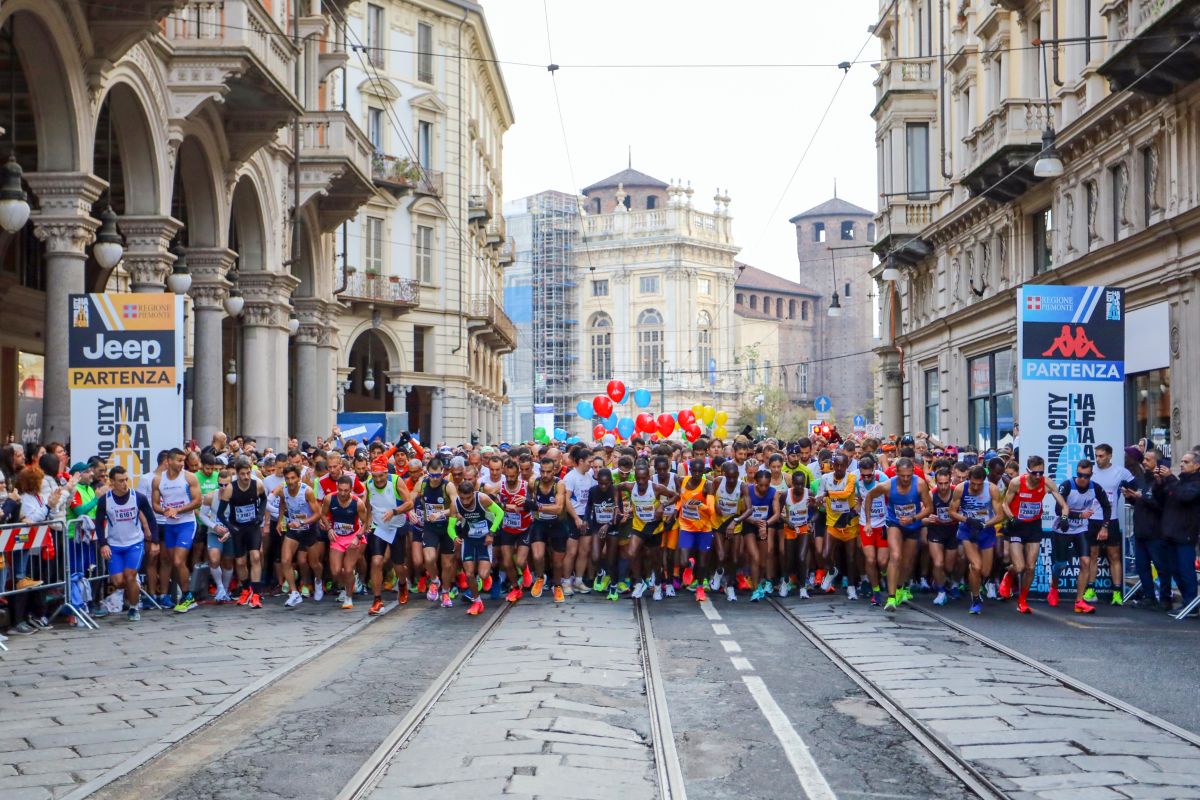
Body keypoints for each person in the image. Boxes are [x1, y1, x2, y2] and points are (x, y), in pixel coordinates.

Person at [1000, 455, 1069, 614]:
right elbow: (1005, 504)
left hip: (1033, 526)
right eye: (1034, 473)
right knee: (1019, 566)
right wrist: (1011, 518)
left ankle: (1022, 600)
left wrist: (1064, 518)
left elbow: (1064, 506)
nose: (1038, 476)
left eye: (1041, 472)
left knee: (1030, 567)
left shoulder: (1047, 483)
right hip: (1017, 526)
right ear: (1027, 471)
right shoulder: (1017, 482)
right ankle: (1008, 576)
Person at [865, 457, 933, 610]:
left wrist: (913, 518)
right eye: (902, 475)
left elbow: (929, 508)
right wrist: (868, 521)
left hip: (912, 524)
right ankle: (891, 598)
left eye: (909, 475)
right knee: (895, 556)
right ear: (896, 473)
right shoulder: (888, 485)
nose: (906, 479)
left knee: (907, 563)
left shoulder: (920, 484)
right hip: (894, 523)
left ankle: (900, 587)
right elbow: (869, 496)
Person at [94, 466, 156, 622]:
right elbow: (99, 524)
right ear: (112, 482)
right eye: (120, 481)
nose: (124, 484)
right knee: (119, 582)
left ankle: (134, 608)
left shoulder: (138, 497)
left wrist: (154, 540)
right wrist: (103, 544)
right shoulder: (104, 500)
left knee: (129, 576)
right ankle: (134, 586)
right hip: (115, 545)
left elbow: (151, 518)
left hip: (134, 543)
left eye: (126, 480)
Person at [1053, 459, 1110, 614]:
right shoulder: (1067, 485)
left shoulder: (1095, 487)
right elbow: (1058, 509)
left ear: (1091, 474)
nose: (1083, 479)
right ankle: (1054, 587)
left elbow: (1106, 506)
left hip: (1081, 529)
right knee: (1061, 564)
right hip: (1063, 528)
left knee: (1086, 561)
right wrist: (1079, 514)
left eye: (1086, 476)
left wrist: (1105, 526)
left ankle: (1079, 601)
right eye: (1079, 475)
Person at [153, 448, 202, 613]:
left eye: (183, 461)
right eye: (179, 461)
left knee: (178, 561)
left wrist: (178, 511)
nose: (182, 464)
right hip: (170, 525)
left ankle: (188, 596)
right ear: (169, 461)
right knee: (172, 560)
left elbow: (197, 501)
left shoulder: (189, 477)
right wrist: (165, 511)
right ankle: (185, 595)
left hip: (187, 523)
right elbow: (155, 505)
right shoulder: (158, 480)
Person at [950, 465, 1004, 615]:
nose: (975, 487)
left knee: (985, 571)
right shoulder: (961, 489)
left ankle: (975, 579)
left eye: (979, 484)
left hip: (986, 530)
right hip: (967, 530)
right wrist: (967, 520)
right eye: (973, 483)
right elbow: (952, 512)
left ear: (984, 481)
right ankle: (975, 599)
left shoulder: (992, 489)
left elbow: (1000, 515)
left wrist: (984, 524)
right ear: (969, 479)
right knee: (976, 565)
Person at [1087, 443, 1136, 605]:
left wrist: (1129, 492)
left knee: (1113, 556)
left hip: (1112, 519)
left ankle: (1116, 593)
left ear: (1109, 456)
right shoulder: (1091, 472)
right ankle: (1090, 589)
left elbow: (1135, 486)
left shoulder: (1120, 472)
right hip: (1093, 519)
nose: (1098, 459)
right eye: (1096, 456)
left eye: (1101, 456)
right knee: (1092, 556)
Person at [1153, 451, 1200, 614]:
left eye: (1186, 462)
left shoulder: (1195, 482)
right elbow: (1162, 500)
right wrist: (1159, 483)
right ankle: (1188, 604)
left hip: (1185, 534)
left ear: (1197, 465)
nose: (1181, 464)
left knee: (1186, 571)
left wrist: (1171, 478)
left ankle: (1192, 604)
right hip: (1171, 533)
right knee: (1176, 570)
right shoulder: (1179, 481)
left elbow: (1185, 497)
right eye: (1181, 461)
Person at [218, 457, 267, 608]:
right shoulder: (230, 489)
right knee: (240, 561)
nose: (246, 477)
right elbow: (220, 513)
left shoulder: (257, 484)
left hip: (252, 526)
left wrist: (260, 515)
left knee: (255, 556)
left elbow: (264, 500)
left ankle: (257, 594)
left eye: (248, 473)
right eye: (242, 474)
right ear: (237, 474)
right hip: (238, 528)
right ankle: (246, 589)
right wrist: (229, 526)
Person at [275, 464, 325, 608]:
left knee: (314, 563)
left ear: (298, 478)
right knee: (285, 560)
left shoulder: (307, 491)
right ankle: (294, 593)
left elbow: (317, 514)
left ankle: (318, 581)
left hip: (309, 529)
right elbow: (282, 505)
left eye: (293, 478)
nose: (290, 481)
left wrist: (302, 522)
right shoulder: (284, 491)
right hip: (293, 529)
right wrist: (280, 521)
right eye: (287, 478)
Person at [1125, 449, 1170, 609]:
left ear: (1157, 462)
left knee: (1161, 566)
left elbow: (1162, 505)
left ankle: (1165, 599)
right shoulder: (1142, 480)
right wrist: (1131, 498)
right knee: (1142, 566)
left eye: (1148, 460)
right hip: (1141, 531)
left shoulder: (1162, 481)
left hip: (1156, 532)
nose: (1144, 462)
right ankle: (1149, 596)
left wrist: (1141, 497)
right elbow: (1141, 502)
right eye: (1144, 459)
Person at [452, 477, 503, 615]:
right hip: (469, 538)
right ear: (459, 494)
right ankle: (477, 601)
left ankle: (492, 576)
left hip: (484, 539)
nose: (466, 502)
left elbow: (500, 513)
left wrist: (491, 533)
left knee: (483, 574)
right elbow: (450, 527)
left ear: (473, 493)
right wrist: (455, 537)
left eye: (469, 498)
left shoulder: (482, 498)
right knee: (469, 573)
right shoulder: (455, 504)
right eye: (463, 498)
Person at [415, 456, 459, 608]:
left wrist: (441, 513)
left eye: (438, 475)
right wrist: (410, 512)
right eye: (432, 475)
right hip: (430, 526)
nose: (435, 479)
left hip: (447, 527)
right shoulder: (422, 483)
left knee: (447, 564)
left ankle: (445, 592)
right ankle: (434, 580)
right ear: (427, 473)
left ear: (443, 473)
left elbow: (456, 507)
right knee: (429, 558)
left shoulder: (448, 486)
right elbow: (410, 498)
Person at [323, 474, 369, 610]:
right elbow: (323, 514)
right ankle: (348, 584)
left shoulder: (357, 503)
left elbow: (366, 522)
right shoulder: (329, 498)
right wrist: (329, 528)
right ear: (337, 488)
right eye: (340, 490)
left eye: (346, 490)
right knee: (336, 571)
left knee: (348, 569)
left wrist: (358, 536)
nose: (343, 493)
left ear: (351, 490)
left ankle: (348, 597)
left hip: (353, 537)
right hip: (337, 537)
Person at [816, 453, 859, 597]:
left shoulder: (851, 477)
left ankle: (851, 587)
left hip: (849, 524)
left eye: (842, 465)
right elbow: (819, 497)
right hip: (833, 523)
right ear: (833, 465)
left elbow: (846, 494)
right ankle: (832, 571)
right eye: (837, 465)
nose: (839, 468)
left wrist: (827, 494)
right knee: (825, 553)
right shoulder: (825, 478)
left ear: (847, 466)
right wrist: (816, 500)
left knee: (851, 557)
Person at [855, 455, 890, 606]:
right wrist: (859, 511)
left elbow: (891, 496)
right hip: (866, 524)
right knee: (870, 559)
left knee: (882, 561)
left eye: (869, 475)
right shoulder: (857, 481)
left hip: (882, 524)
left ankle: (883, 576)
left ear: (874, 469)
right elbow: (860, 499)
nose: (867, 478)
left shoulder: (882, 478)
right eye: (864, 475)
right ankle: (876, 591)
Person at [925, 467, 960, 606]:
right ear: (936, 482)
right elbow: (922, 514)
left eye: (946, 483)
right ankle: (941, 591)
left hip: (953, 530)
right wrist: (928, 517)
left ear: (950, 480)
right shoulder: (931, 494)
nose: (943, 487)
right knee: (938, 562)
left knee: (948, 567)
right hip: (936, 530)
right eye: (940, 483)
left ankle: (941, 580)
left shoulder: (957, 492)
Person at [777, 469, 812, 600]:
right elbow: (778, 514)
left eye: (801, 484)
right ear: (792, 484)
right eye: (796, 484)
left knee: (802, 557)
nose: (799, 487)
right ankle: (785, 582)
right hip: (789, 528)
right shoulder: (785, 495)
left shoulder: (809, 493)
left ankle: (803, 587)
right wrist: (788, 521)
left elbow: (816, 512)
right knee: (789, 559)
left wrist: (811, 521)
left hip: (803, 528)